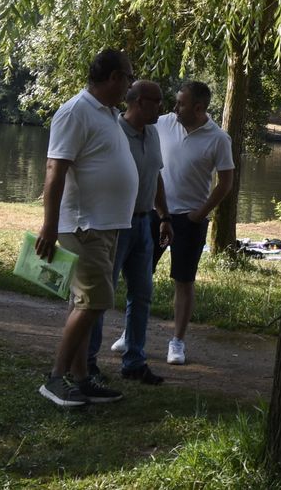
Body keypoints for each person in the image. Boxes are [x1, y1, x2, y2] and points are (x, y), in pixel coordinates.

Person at [36, 48, 139, 407]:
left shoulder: (109, 114)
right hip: (84, 224)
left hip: (107, 225)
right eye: (128, 75)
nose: (130, 82)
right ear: (113, 77)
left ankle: (81, 378)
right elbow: (55, 170)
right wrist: (49, 226)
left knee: (84, 303)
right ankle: (55, 378)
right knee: (95, 301)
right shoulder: (75, 111)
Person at [87, 79, 174, 385]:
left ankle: (134, 361)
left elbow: (156, 175)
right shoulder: (114, 132)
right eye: (158, 101)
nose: (162, 107)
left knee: (142, 294)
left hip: (144, 223)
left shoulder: (153, 134)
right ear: (138, 102)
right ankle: (87, 363)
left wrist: (164, 216)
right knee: (100, 295)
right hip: (115, 225)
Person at [154, 79, 235, 366]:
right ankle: (132, 331)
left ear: (198, 108)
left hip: (190, 219)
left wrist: (200, 214)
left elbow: (225, 183)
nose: (174, 107)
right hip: (156, 212)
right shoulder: (164, 123)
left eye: (181, 103)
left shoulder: (218, 138)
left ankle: (177, 342)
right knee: (140, 273)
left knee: (184, 280)